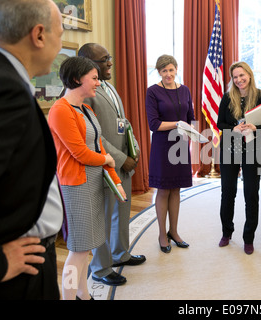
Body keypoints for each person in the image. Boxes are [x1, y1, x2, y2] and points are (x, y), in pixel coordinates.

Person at [0, 0, 64, 300]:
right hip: (19, 271)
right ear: (39, 35)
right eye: (60, 35)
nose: (60, 46)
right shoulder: (5, 87)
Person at [48, 56, 127, 300]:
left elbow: (100, 148)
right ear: (76, 79)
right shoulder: (60, 110)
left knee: (86, 248)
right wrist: (108, 161)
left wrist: (116, 181)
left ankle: (83, 294)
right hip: (76, 186)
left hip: (94, 182)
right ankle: (70, 296)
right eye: (93, 78)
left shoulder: (86, 109)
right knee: (78, 251)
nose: (97, 83)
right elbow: (80, 153)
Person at [78, 43, 146, 286]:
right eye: (104, 59)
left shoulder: (109, 87)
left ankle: (120, 254)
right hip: (105, 164)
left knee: (121, 210)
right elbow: (95, 135)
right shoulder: (85, 93)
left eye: (109, 57)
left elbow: (122, 122)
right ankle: (101, 267)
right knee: (104, 217)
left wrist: (134, 147)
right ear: (88, 63)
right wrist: (121, 159)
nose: (110, 62)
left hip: (123, 160)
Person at [217, 61, 261, 255]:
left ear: (249, 75)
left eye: (242, 75)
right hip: (230, 146)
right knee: (228, 192)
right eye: (235, 77)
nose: (239, 80)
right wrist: (232, 128)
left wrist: (256, 128)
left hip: (252, 147)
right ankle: (227, 232)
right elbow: (220, 123)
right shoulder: (227, 97)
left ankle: (248, 238)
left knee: (251, 193)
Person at [146, 55, 195, 253]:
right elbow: (153, 124)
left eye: (171, 70)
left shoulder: (185, 90)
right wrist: (176, 124)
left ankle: (174, 232)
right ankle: (161, 234)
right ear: (159, 72)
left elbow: (190, 118)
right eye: (164, 70)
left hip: (181, 144)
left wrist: (191, 132)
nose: (168, 74)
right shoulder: (152, 91)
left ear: (176, 69)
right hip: (162, 145)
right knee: (164, 190)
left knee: (176, 190)